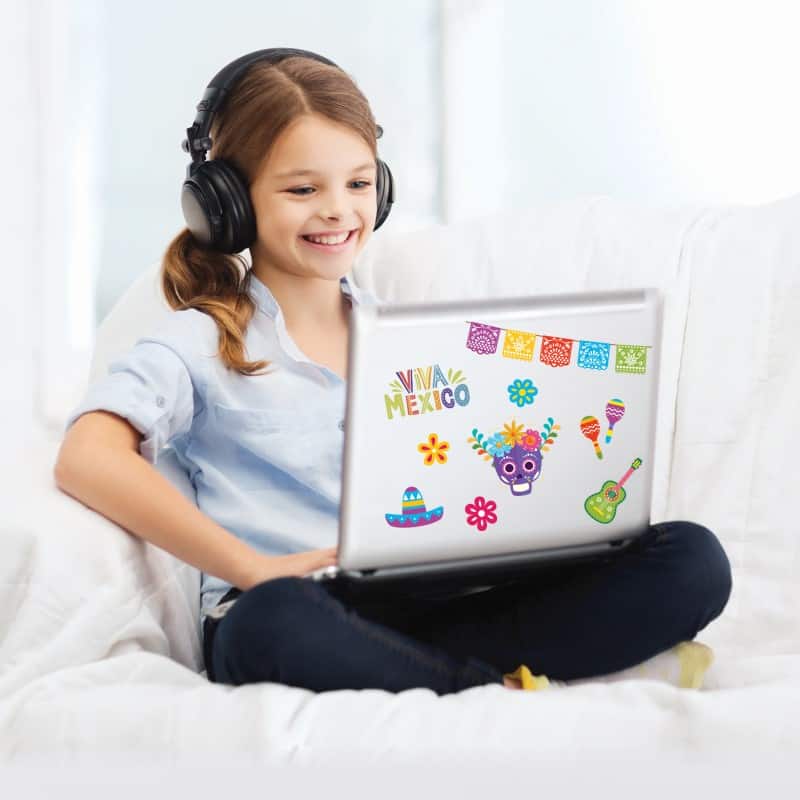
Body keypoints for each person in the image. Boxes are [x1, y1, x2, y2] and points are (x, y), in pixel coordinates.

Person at [54, 48, 732, 696]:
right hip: (306, 606)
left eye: (357, 183)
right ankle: (486, 686)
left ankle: (442, 670)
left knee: (692, 560)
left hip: (434, 593)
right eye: (301, 189)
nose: (338, 209)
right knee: (270, 625)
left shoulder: (408, 336)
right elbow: (87, 456)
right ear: (226, 200)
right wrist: (250, 567)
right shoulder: (201, 340)